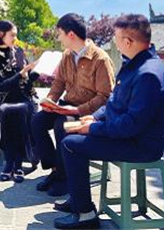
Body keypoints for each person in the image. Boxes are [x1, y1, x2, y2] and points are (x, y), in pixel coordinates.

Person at [53, 14, 164, 229]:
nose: (114, 44)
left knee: (71, 145)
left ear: (128, 41)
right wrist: (95, 117)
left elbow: (130, 125)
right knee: (68, 133)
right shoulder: (135, 64)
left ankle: (86, 215)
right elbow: (114, 102)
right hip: (128, 136)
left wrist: (93, 128)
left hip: (140, 145)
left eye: (116, 38)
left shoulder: (148, 74)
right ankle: (78, 199)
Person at [32, 13, 115, 196]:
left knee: (61, 125)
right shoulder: (67, 55)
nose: (58, 38)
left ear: (71, 35)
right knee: (37, 121)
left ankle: (65, 179)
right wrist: (50, 101)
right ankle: (55, 169)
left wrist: (78, 109)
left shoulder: (100, 59)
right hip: (66, 106)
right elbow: (59, 83)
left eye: (60, 34)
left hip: (88, 112)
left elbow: (105, 97)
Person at [0, 20, 39, 183]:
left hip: (23, 97)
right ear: (1, 34)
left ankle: (14, 163)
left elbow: (26, 81)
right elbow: (1, 86)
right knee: (10, 111)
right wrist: (20, 74)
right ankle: (13, 163)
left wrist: (33, 74)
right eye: (12, 35)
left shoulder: (19, 52)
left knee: (20, 109)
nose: (15, 38)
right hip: (3, 99)